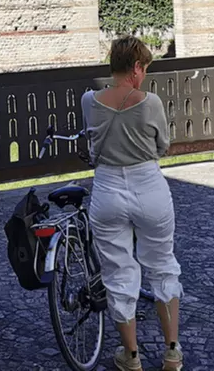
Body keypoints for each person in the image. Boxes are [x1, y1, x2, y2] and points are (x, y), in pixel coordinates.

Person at [82, 36, 184, 371]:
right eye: (145, 70)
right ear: (137, 67)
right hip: (148, 186)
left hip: (108, 189)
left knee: (119, 272)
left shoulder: (90, 100)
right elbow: (162, 146)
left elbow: (92, 143)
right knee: (162, 266)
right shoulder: (150, 101)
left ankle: (132, 356)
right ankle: (171, 352)